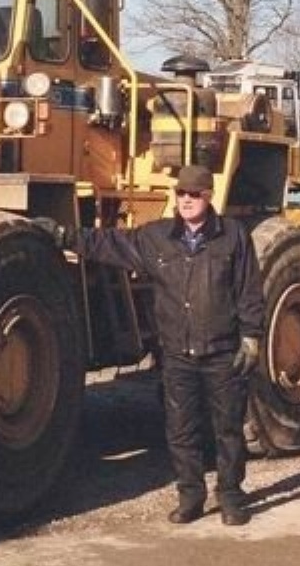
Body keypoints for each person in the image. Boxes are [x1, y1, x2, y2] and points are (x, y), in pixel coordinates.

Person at [73, 164, 264, 526]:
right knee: (181, 430)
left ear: (208, 197)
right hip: (177, 354)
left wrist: (252, 337)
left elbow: (249, 290)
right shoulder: (157, 236)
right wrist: (65, 236)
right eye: (181, 194)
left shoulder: (233, 236)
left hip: (222, 352)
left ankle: (231, 497)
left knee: (227, 429)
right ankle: (191, 497)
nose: (186, 200)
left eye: (194, 194)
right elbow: (109, 243)